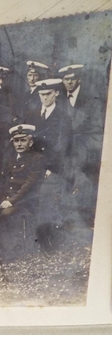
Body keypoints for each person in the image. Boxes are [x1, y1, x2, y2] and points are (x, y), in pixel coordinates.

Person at [0, 124, 45, 261]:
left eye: (23, 140)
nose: (19, 144)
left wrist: (11, 201)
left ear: (31, 142)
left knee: (6, 214)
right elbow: (4, 182)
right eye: (16, 141)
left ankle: (9, 253)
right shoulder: (10, 159)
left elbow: (28, 186)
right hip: (6, 199)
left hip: (26, 201)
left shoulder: (37, 159)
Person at [24, 78, 72, 250]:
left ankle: (47, 240)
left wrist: (49, 168)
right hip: (33, 165)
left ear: (56, 93)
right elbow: (27, 142)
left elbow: (62, 146)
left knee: (46, 197)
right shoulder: (32, 115)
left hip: (52, 168)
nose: (44, 98)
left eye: (48, 94)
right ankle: (27, 239)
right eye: (41, 94)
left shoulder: (63, 117)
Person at [58, 64, 104, 224]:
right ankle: (67, 217)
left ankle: (86, 217)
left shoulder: (91, 99)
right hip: (68, 145)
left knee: (84, 178)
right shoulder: (60, 98)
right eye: (66, 79)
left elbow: (96, 126)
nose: (69, 82)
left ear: (79, 79)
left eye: (72, 79)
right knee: (65, 175)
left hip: (86, 145)